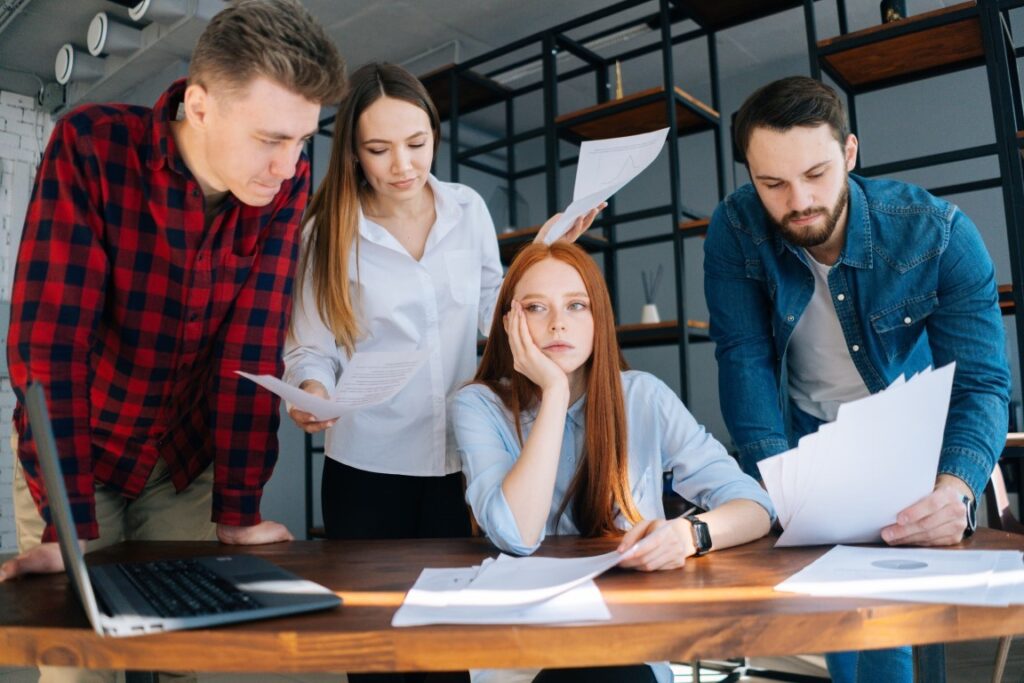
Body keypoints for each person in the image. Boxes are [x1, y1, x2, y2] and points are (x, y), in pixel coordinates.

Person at [2, 0, 345, 591]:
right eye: (270, 138)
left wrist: (238, 512)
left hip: (185, 455)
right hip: (83, 441)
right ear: (200, 107)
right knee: (83, 661)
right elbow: (51, 344)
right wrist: (69, 520)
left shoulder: (282, 182)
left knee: (186, 644)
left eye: (302, 140)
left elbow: (252, 347)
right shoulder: (91, 147)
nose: (288, 166)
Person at [703, 75, 1011, 683]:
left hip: (905, 431)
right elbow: (743, 358)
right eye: (772, 184)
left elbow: (981, 384)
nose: (798, 202)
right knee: (832, 603)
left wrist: (955, 491)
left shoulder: (939, 234)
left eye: (816, 174)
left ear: (849, 152)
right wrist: (778, 484)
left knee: (891, 611)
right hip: (806, 430)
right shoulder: (736, 228)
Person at [284, 63, 601, 543]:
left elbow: (495, 313)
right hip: (367, 462)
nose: (403, 166)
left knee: (459, 604)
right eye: (378, 150)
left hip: (461, 454)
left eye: (416, 144)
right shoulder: (326, 232)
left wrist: (539, 254)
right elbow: (310, 347)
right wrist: (313, 389)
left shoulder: (467, 208)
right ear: (353, 152)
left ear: (434, 134)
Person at [452, 242, 774, 683]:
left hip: (628, 639)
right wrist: (555, 393)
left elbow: (755, 505)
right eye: (535, 307)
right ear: (509, 322)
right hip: (526, 648)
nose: (557, 322)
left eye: (576, 305)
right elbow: (517, 535)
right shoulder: (478, 405)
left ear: (598, 317)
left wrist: (689, 534)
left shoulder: (643, 396)